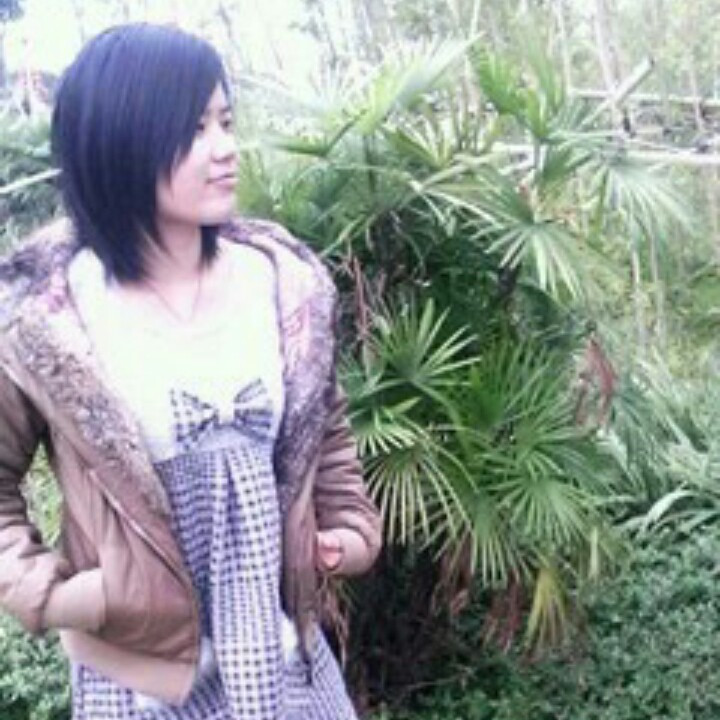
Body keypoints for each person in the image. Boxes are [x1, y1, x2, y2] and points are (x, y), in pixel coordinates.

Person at [0, 23, 381, 720]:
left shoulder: (283, 285)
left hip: (285, 669)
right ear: (120, 140)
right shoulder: (49, 316)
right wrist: (54, 595)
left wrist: (349, 530)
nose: (225, 147)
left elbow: (325, 428)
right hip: (140, 690)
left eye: (226, 122)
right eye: (195, 128)